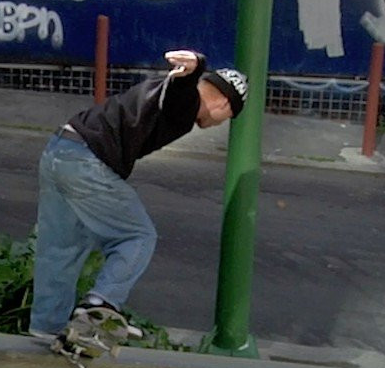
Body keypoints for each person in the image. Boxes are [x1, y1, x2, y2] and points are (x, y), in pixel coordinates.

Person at [28, 49, 249, 344]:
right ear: (223, 104)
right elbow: (179, 94)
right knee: (137, 236)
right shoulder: (186, 102)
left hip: (59, 150)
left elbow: (174, 92)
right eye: (227, 118)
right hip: (86, 162)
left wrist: (189, 76)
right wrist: (196, 67)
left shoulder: (163, 89)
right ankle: (100, 305)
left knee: (61, 248)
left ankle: (47, 327)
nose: (220, 124)